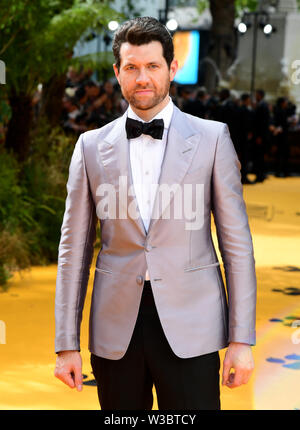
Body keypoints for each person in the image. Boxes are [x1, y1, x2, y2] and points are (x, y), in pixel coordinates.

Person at [54, 17, 257, 411]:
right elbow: (72, 251)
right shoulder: (91, 147)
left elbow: (236, 246)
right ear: (117, 73)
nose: (141, 77)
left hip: (193, 325)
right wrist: (66, 344)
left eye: (152, 66)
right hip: (116, 329)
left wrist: (241, 340)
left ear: (172, 68)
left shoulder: (212, 139)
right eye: (131, 67)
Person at [253, 89, 270, 182]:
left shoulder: (262, 106)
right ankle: (261, 174)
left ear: (260, 95)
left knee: (259, 155)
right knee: (259, 155)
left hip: (261, 135)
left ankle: (260, 175)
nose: (255, 96)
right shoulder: (262, 105)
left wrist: (260, 136)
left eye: (256, 94)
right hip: (261, 135)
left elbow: (262, 123)